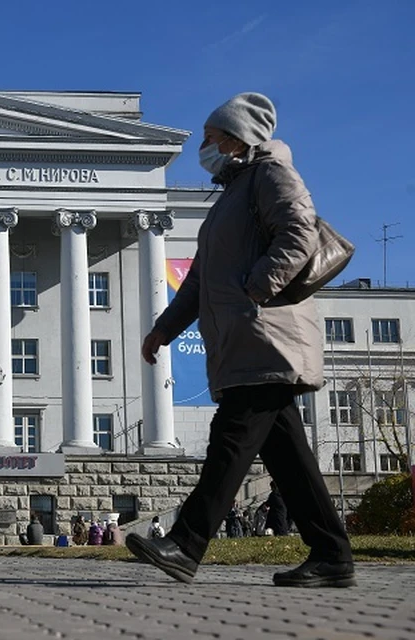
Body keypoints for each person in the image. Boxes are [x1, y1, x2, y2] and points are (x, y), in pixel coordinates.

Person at [127, 92, 355, 588]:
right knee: (289, 460)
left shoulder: (272, 174)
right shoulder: (231, 192)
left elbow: (298, 234)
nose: (204, 148)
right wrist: (165, 328)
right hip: (244, 340)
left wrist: (256, 288)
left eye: (211, 138)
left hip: (267, 336)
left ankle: (186, 544)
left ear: (237, 138)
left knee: (229, 441)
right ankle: (332, 555)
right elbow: (200, 280)